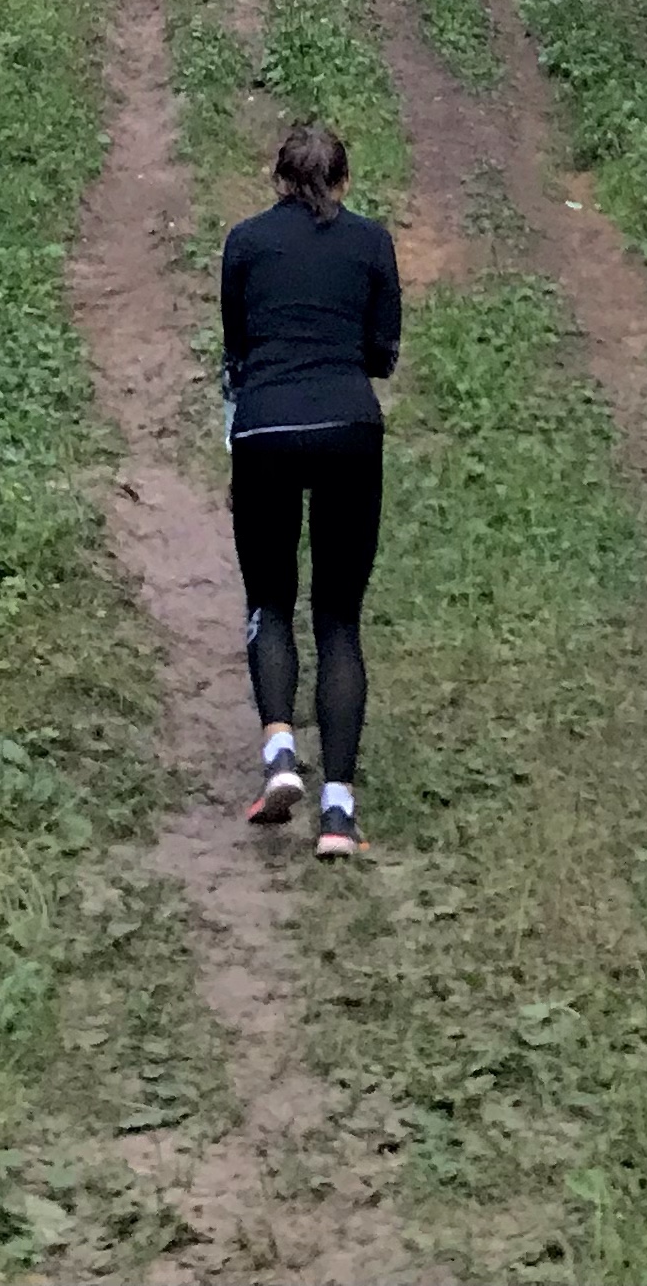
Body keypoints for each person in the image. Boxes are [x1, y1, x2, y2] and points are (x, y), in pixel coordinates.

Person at [220, 117, 402, 859]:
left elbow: (236, 351)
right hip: (349, 427)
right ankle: (338, 813)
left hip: (263, 429)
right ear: (345, 181)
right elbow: (382, 353)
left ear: (276, 180)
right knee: (338, 620)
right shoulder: (371, 242)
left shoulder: (245, 243)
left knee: (269, 600)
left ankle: (280, 756)